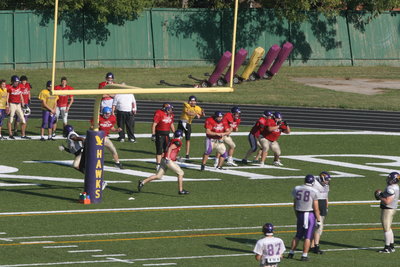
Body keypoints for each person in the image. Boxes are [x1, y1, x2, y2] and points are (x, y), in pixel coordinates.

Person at [138, 129, 189, 195]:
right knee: (181, 173)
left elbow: (170, 151)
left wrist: (176, 158)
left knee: (158, 176)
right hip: (167, 160)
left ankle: (142, 182)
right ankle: (181, 190)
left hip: (164, 160)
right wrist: (168, 158)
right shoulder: (178, 142)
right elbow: (170, 148)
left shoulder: (172, 141)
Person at [287, 175, 321, 261]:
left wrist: (297, 214)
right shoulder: (314, 191)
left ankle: (291, 253)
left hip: (299, 213)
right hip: (308, 214)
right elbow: (316, 208)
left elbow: (294, 204)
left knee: (298, 235)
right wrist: (319, 220)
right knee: (308, 236)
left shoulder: (297, 188)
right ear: (312, 182)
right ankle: (304, 255)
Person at [375, 172, 400, 253]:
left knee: (386, 229)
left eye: (390, 179)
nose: (388, 180)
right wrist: (382, 195)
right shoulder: (396, 187)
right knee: (389, 228)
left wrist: (379, 195)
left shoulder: (391, 189)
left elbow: (387, 201)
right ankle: (391, 246)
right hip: (392, 209)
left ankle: (387, 247)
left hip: (388, 209)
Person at [177, 95, 205, 159]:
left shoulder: (197, 108)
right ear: (189, 101)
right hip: (182, 122)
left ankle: (187, 154)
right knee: (178, 138)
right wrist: (196, 114)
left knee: (188, 139)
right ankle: (175, 151)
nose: (193, 102)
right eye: (191, 101)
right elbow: (188, 113)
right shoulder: (186, 105)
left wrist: (202, 113)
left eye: (194, 101)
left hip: (188, 124)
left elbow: (201, 114)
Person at [310, 171, 331, 254]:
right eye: (326, 179)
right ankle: (316, 246)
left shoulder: (326, 186)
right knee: (318, 228)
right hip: (316, 206)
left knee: (318, 228)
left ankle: (311, 246)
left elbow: (326, 197)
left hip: (322, 207)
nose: (327, 181)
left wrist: (326, 207)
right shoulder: (315, 184)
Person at [151, 103, 175, 170]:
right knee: (159, 150)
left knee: (166, 150)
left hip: (167, 134)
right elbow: (154, 124)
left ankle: (163, 163)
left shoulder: (171, 115)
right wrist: (153, 134)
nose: (171, 110)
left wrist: (174, 132)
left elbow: (171, 124)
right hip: (159, 134)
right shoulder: (159, 113)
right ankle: (158, 164)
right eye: (170, 109)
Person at [6, 75, 28, 139]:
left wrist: (23, 102)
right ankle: (10, 134)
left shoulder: (20, 86)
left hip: (18, 105)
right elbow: (7, 97)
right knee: (10, 119)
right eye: (15, 82)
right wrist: (7, 105)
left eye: (17, 82)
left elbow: (21, 94)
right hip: (12, 104)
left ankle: (23, 135)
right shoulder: (9, 87)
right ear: (12, 81)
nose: (16, 83)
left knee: (23, 120)